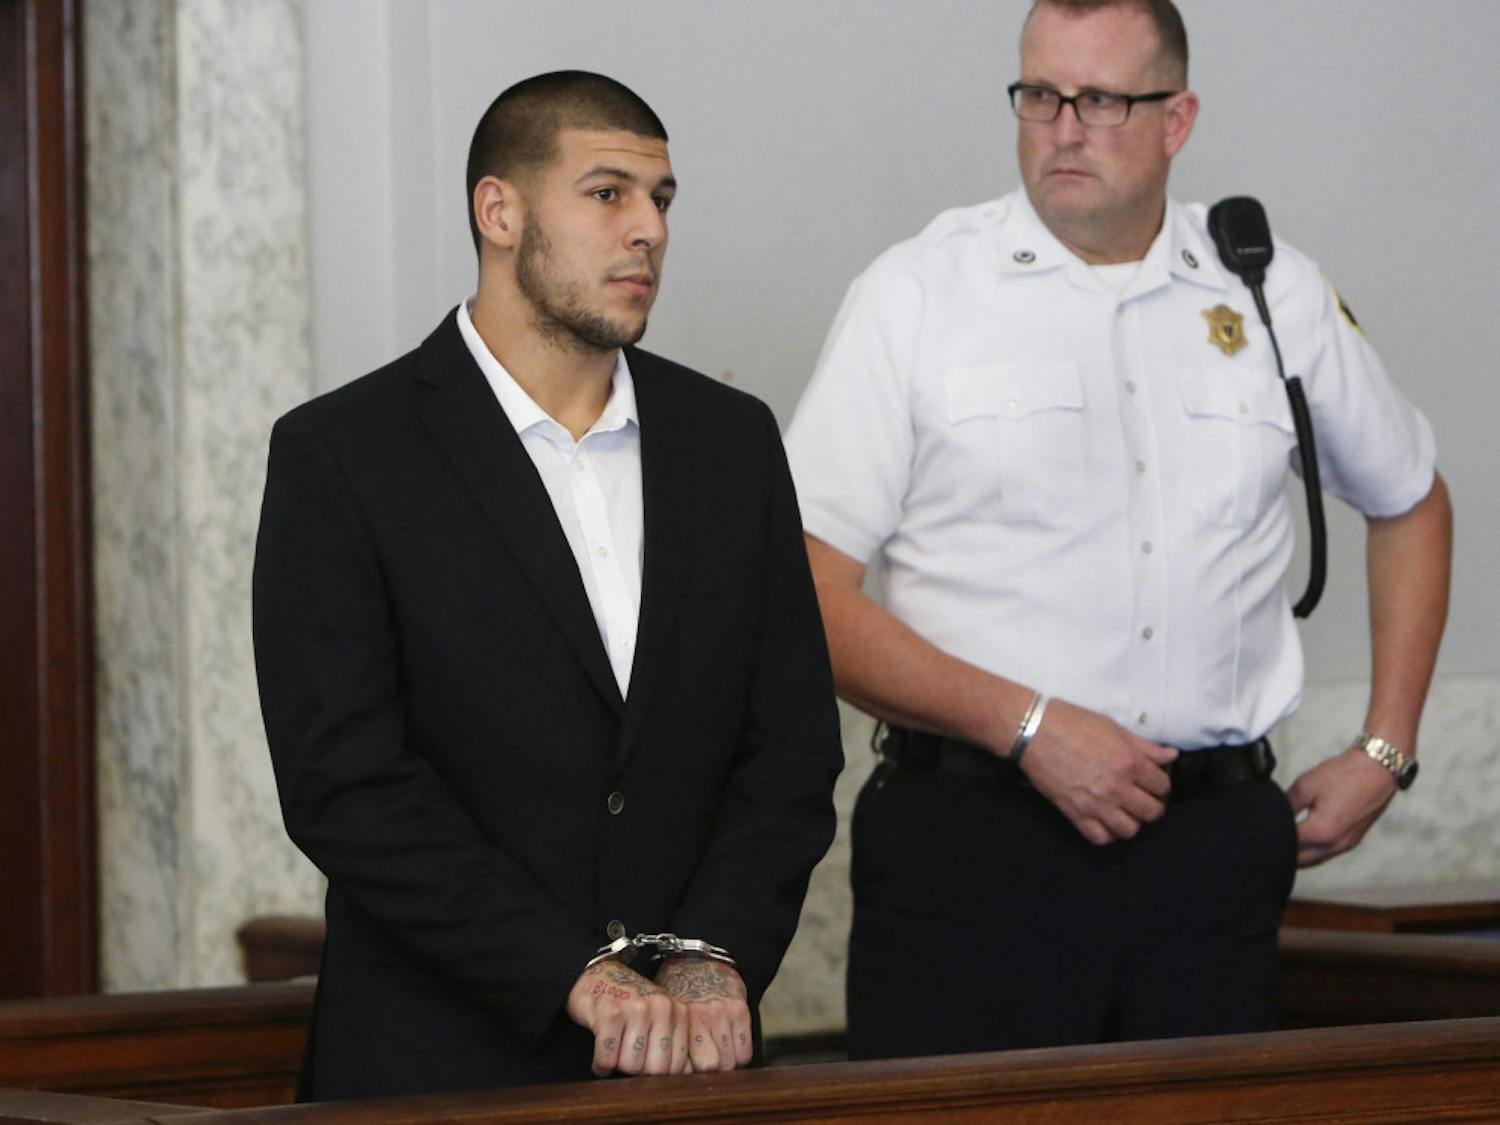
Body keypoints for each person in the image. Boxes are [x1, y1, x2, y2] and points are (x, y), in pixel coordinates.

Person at [786, 0, 1452, 1059]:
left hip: (1209, 849)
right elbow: (803, 596)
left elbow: (1410, 498)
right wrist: (1028, 723)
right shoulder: (918, 293)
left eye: (1100, 100)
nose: (1060, 127)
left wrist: (1387, 746)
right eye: (1039, 94)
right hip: (972, 845)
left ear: (1177, 118)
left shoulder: (1266, 285)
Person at [253, 71, 842, 1099]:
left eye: (661, 199)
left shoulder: (728, 443)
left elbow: (788, 750)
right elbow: (347, 784)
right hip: (430, 1069)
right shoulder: (344, 454)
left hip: (682, 1075)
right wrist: (567, 972)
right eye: (608, 193)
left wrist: (713, 950)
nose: (647, 229)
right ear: (500, 211)